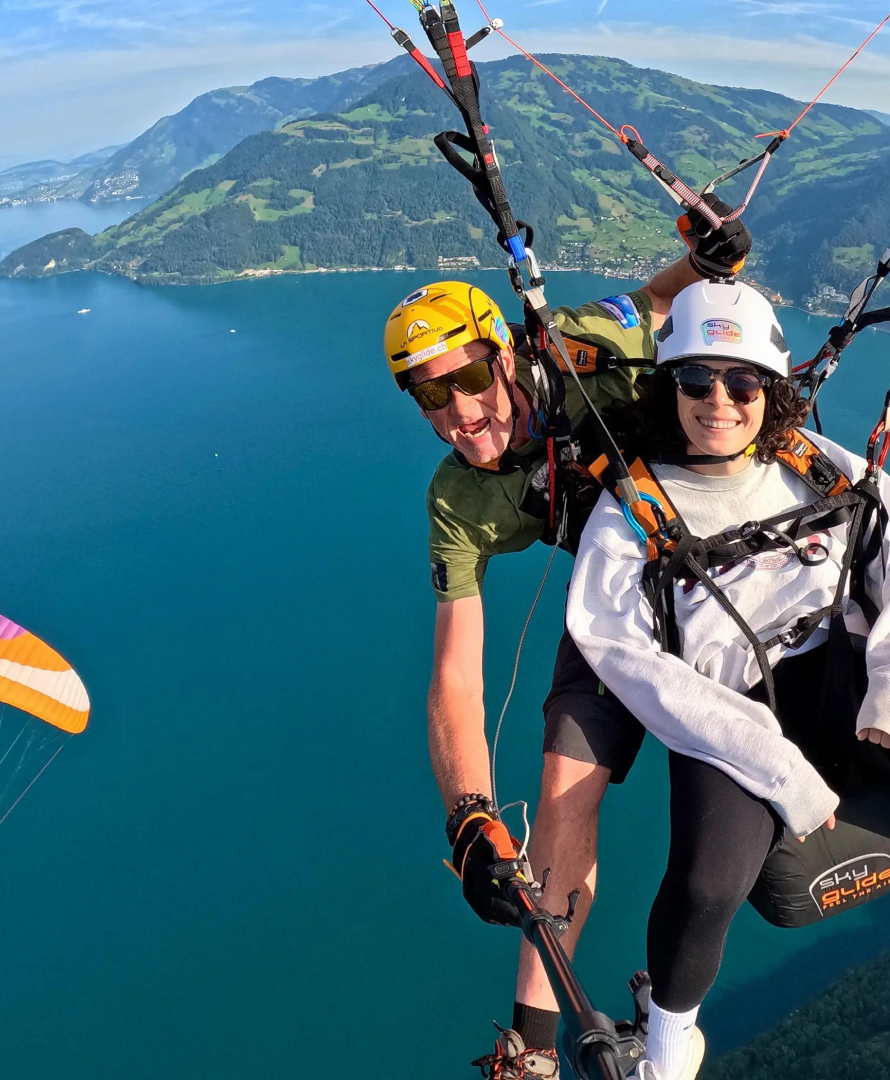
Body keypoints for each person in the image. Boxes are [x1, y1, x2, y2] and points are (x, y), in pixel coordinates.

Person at [383, 204, 752, 1078]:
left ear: (504, 354)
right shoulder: (458, 501)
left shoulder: (574, 350)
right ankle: (533, 1050)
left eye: (471, 377)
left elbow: (662, 299)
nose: (460, 411)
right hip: (616, 605)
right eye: (430, 394)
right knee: (560, 789)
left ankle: (670, 1012)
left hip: (719, 564)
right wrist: (470, 814)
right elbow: (455, 676)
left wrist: (713, 254)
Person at [565, 279, 890, 1080]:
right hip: (728, 711)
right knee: (708, 884)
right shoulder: (633, 508)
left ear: (770, 390)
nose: (719, 401)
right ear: (668, 386)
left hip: (843, 677)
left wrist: (888, 693)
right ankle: (669, 1048)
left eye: (742, 383)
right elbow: (622, 654)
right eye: (695, 380)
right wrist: (779, 769)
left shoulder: (818, 467)